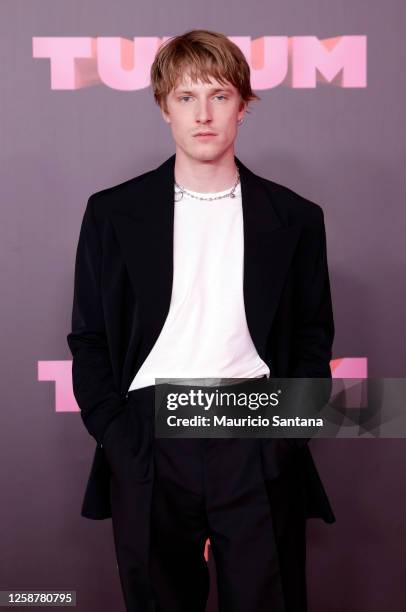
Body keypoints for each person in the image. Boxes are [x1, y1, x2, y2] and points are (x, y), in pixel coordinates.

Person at [67, 29, 335, 612]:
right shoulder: (113, 212)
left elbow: (315, 342)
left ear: (244, 104)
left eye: (218, 95)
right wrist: (120, 437)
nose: (204, 114)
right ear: (164, 107)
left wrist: (280, 442)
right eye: (186, 98)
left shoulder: (295, 217)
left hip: (256, 425)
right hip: (148, 432)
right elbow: (87, 339)